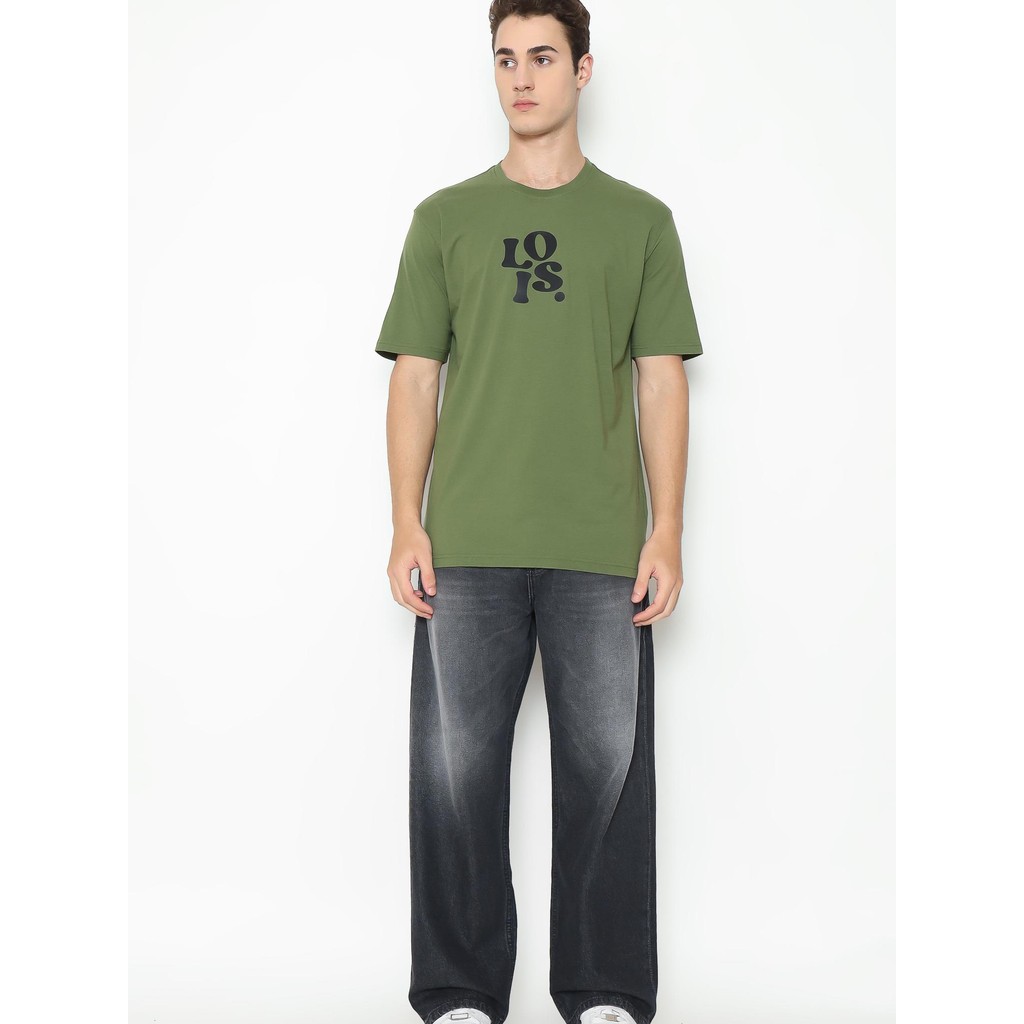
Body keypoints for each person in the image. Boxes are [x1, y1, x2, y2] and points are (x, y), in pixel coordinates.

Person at [374, 2, 702, 1023]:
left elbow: (660, 380)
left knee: (608, 776)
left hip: (601, 546)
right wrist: (406, 519)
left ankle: (604, 990)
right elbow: (415, 377)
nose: (521, 77)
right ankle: (459, 992)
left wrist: (665, 529)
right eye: (505, 58)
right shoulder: (444, 219)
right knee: (454, 778)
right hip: (467, 542)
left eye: (543, 57)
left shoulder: (640, 222)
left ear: (582, 70)